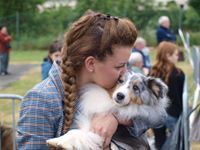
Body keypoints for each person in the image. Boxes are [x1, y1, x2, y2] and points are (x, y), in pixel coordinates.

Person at [17, 10, 165, 150]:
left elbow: (159, 114)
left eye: (126, 64)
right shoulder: (41, 100)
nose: (126, 72)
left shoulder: (117, 79)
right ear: (91, 64)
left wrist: (117, 117)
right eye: (120, 65)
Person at [149, 41, 185, 149]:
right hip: (173, 113)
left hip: (156, 113)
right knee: (178, 142)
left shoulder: (152, 73)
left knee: (159, 141)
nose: (177, 57)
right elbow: (181, 95)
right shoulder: (178, 73)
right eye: (175, 54)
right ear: (168, 55)